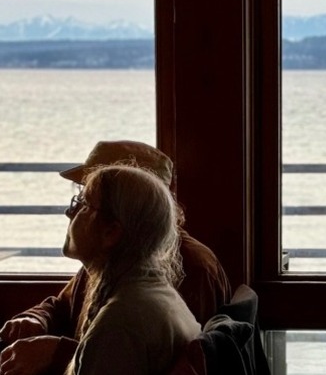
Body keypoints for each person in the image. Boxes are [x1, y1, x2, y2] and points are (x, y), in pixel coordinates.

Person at [0, 140, 231, 374]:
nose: (70, 212)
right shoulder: (129, 265)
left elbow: (130, 354)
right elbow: (64, 306)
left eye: (85, 203)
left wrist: (59, 352)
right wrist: (36, 319)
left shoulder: (191, 267)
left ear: (114, 227)